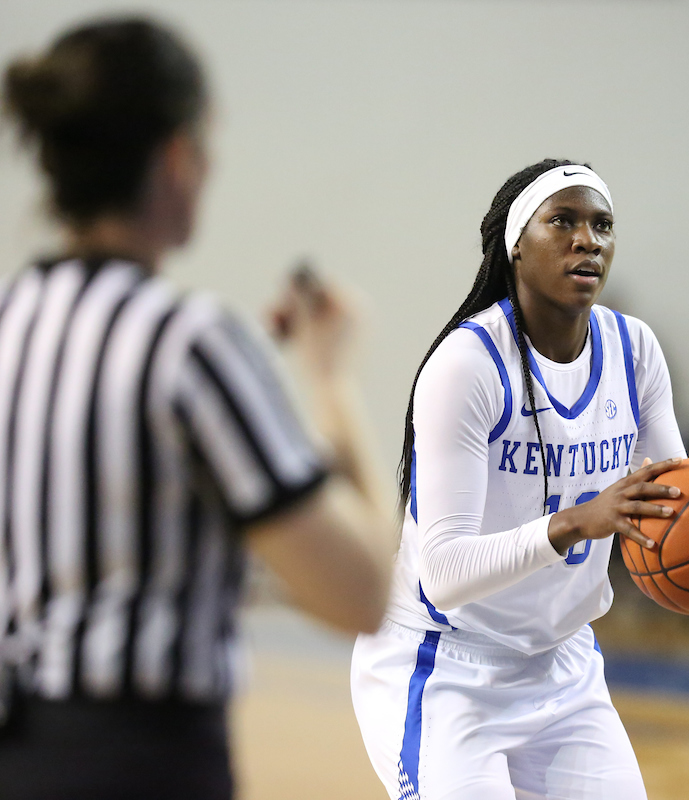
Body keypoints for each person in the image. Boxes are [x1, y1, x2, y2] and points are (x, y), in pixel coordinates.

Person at [0, 17, 395, 799]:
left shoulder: (11, 324)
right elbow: (362, 592)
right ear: (178, 158)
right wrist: (330, 380)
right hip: (141, 764)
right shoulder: (187, 342)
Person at [351, 160, 689, 800]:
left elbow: (675, 501)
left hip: (562, 662)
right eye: (563, 222)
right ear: (515, 245)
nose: (588, 240)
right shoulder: (468, 365)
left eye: (602, 225)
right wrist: (578, 522)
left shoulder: (634, 349)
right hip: (444, 664)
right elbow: (444, 574)